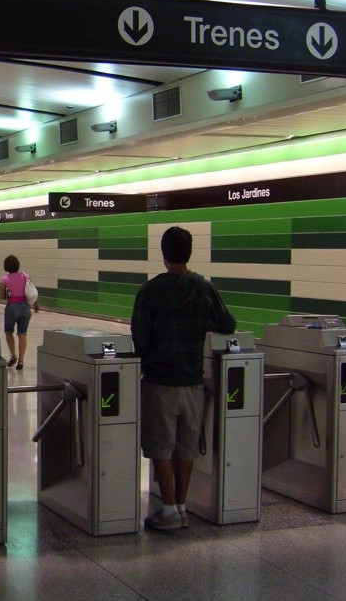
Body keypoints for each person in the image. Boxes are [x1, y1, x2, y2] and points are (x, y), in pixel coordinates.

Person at [131, 226, 236, 531]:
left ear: (164, 255)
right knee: (186, 446)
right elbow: (228, 324)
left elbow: (139, 338)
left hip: (159, 381)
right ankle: (181, 506)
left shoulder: (150, 291)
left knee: (161, 446)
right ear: (189, 253)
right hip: (193, 381)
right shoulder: (203, 288)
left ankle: (167, 508)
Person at [0, 255, 39, 370]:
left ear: (6, 266)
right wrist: (36, 304)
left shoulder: (4, 280)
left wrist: (9, 292)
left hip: (11, 307)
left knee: (8, 332)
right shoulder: (26, 276)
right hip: (25, 308)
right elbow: (32, 291)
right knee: (22, 334)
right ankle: (21, 360)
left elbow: (2, 296)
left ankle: (13, 355)